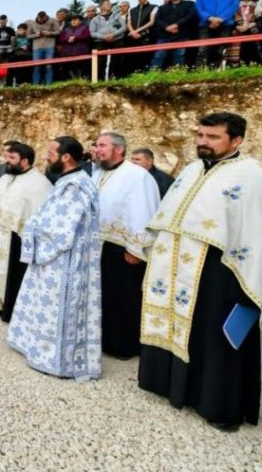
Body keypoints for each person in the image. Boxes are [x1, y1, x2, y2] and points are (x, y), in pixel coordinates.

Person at [139, 112, 262, 431]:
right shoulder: (190, 170)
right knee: (176, 326)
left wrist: (245, 285)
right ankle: (169, 386)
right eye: (200, 135)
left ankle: (216, 405)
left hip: (222, 274)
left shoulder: (256, 178)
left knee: (216, 341)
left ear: (237, 140)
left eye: (212, 137)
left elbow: (261, 234)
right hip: (174, 266)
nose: (203, 142)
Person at [7, 136, 102, 381]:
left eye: (51, 152)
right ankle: (36, 347)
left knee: (56, 307)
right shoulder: (68, 181)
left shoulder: (75, 186)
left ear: (66, 157)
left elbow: (60, 229)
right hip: (55, 259)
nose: (47, 156)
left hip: (63, 261)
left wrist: (31, 229)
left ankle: (55, 358)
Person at [90, 132, 161, 359]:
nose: (96, 149)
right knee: (100, 295)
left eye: (102, 145)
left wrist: (136, 249)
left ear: (119, 149)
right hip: (97, 245)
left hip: (122, 249)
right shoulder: (97, 173)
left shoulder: (137, 176)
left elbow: (144, 210)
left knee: (123, 298)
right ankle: (98, 338)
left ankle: (123, 346)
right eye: (96, 145)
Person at [0, 142, 52, 322]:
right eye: (7, 157)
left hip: (16, 238)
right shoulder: (5, 178)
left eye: (12, 158)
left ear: (25, 161)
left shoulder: (40, 183)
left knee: (13, 274)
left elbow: (40, 211)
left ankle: (9, 308)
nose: (7, 161)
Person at [194, 0, 240, 68]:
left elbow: (234, 6)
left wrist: (220, 19)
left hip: (225, 24)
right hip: (206, 24)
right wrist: (209, 18)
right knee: (203, 48)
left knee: (221, 48)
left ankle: (216, 70)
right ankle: (199, 71)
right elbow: (198, 7)